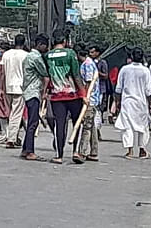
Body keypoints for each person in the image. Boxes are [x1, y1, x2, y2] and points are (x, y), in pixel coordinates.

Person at [45, 29, 86, 165]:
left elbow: (47, 76)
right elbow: (76, 75)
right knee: (76, 123)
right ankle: (75, 151)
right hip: (72, 94)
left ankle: (59, 155)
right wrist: (83, 93)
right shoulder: (70, 54)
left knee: (59, 125)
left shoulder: (48, 55)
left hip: (56, 95)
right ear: (65, 41)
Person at [114, 47, 151, 159]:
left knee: (127, 126)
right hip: (141, 102)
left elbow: (118, 88)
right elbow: (148, 90)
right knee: (143, 126)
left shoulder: (124, 69)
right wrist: (150, 103)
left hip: (127, 102)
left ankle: (129, 150)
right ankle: (142, 149)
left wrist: (117, 102)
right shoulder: (145, 70)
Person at [20, 33, 50, 161]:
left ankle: (25, 149)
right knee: (33, 123)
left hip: (28, 91)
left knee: (32, 121)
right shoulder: (36, 58)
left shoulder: (28, 56)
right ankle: (30, 151)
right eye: (45, 46)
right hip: (33, 92)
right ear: (40, 45)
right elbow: (45, 73)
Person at [0, 34, 29, 148]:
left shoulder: (6, 54)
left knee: (10, 113)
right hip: (20, 87)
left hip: (8, 85)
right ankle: (11, 139)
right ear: (24, 43)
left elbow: (2, 73)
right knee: (16, 114)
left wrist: (2, 88)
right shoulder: (26, 55)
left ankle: (13, 136)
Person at [77, 46, 100, 161]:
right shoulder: (88, 63)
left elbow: (88, 82)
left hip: (90, 98)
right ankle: (94, 151)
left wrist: (84, 96)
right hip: (91, 98)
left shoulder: (87, 64)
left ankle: (82, 151)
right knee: (91, 125)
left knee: (87, 125)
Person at [89, 45, 109, 139]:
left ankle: (97, 130)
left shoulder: (102, 63)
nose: (91, 54)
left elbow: (105, 76)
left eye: (93, 52)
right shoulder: (89, 62)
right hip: (90, 89)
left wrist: (96, 72)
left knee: (97, 110)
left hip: (100, 89)